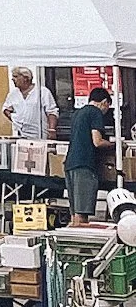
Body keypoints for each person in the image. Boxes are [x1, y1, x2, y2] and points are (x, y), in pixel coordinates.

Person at [65, 85, 115, 223]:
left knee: (75, 212)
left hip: (70, 164)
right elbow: (97, 141)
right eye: (107, 107)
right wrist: (115, 145)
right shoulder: (95, 113)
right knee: (82, 213)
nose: (106, 112)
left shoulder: (78, 113)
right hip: (85, 164)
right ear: (104, 102)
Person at [3, 67, 58, 140]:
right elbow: (6, 109)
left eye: (16, 76)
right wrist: (15, 119)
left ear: (26, 78)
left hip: (40, 134)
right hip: (21, 134)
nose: (13, 79)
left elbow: (52, 112)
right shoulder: (13, 94)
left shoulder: (42, 92)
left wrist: (52, 130)